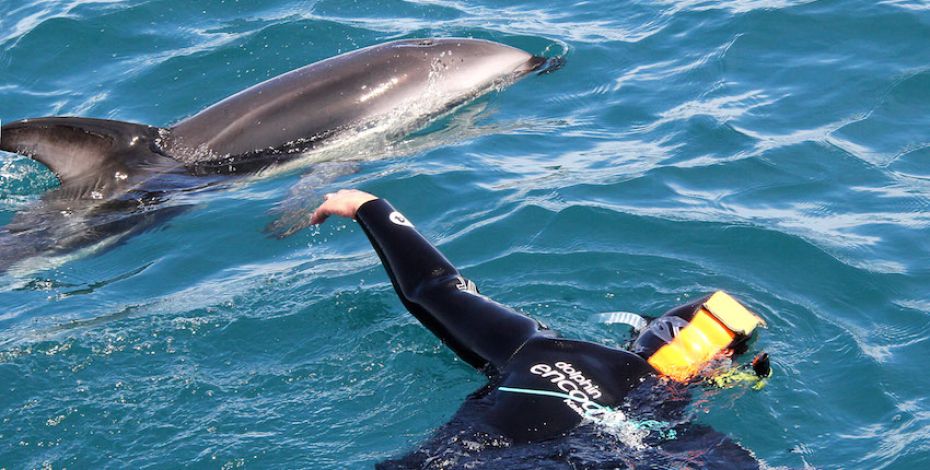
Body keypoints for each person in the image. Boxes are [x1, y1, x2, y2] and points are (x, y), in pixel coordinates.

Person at [310, 189, 771, 469]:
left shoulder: (538, 346)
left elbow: (437, 291)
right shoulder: (673, 429)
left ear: (644, 332)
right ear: (707, 368)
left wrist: (368, 206)